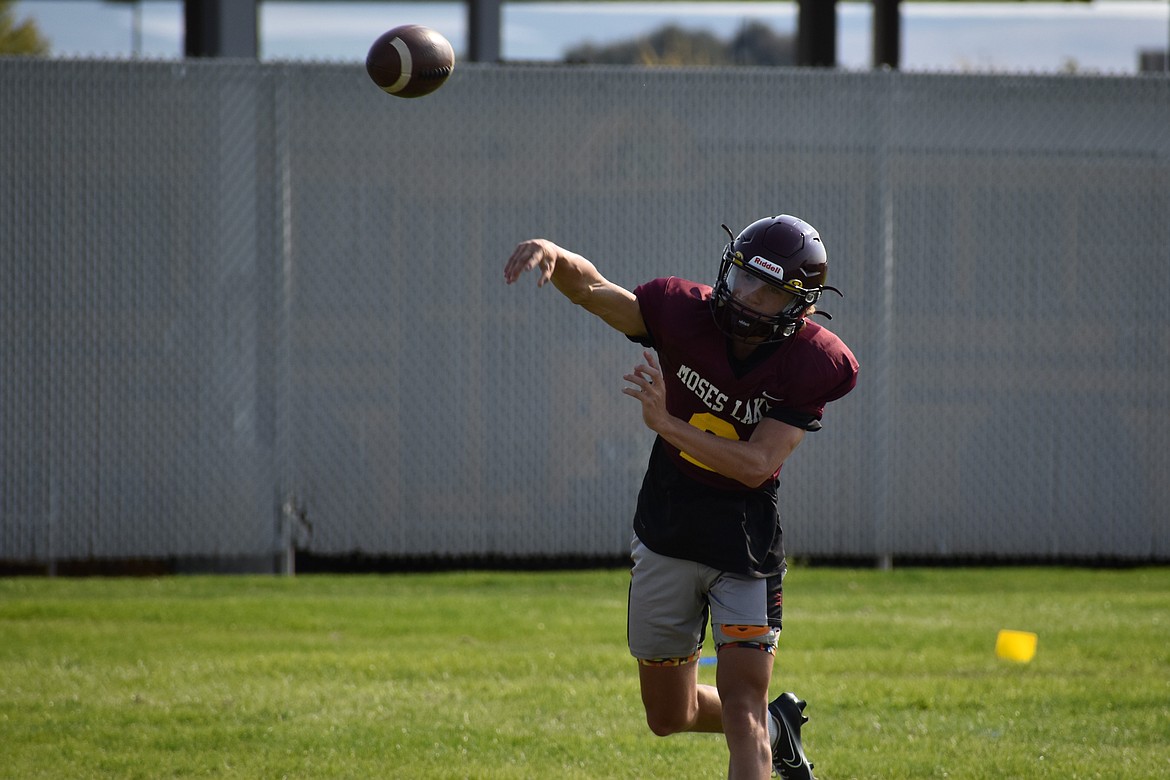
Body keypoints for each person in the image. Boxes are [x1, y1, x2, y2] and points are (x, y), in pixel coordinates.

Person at [503, 214, 858, 780]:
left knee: (742, 708)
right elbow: (597, 292)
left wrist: (666, 424)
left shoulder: (813, 361)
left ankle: (762, 725)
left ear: (801, 306)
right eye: (744, 280)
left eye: (768, 293)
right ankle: (779, 726)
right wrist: (556, 254)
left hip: (743, 547)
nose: (747, 298)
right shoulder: (682, 312)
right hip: (668, 529)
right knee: (670, 714)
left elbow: (756, 465)